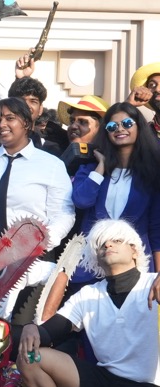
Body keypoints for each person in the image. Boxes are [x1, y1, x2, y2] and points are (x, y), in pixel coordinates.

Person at [18, 220, 160, 387]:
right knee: (31, 356)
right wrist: (32, 328)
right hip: (107, 382)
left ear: (135, 250)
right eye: (101, 243)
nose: (108, 244)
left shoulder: (153, 284)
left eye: (116, 239)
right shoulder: (88, 294)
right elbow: (51, 331)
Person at [0, 97, 75, 250]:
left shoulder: (51, 164)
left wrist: (43, 243)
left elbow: (63, 214)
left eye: (10, 118)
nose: (2, 125)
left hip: (31, 255)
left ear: (27, 123)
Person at [71, 101, 160, 270]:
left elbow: (157, 228)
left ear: (139, 128)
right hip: (92, 266)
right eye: (112, 125)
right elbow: (82, 201)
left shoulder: (152, 174)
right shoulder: (90, 170)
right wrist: (101, 166)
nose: (119, 129)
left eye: (127, 123)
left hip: (136, 267)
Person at [56, 95, 107, 176]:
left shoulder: (112, 165)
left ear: (101, 129)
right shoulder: (55, 155)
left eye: (82, 122)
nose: (73, 126)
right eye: (72, 121)